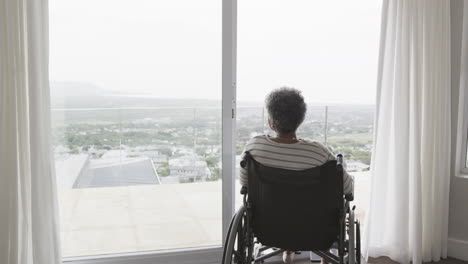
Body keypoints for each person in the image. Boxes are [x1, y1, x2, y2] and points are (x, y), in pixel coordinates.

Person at [239, 87, 354, 264]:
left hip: (268, 228)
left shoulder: (254, 147)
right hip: (315, 230)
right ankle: (323, 257)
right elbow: (347, 189)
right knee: (310, 203)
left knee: (283, 200)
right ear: (300, 120)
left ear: (272, 123)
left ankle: (288, 248)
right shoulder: (319, 153)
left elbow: (245, 184)